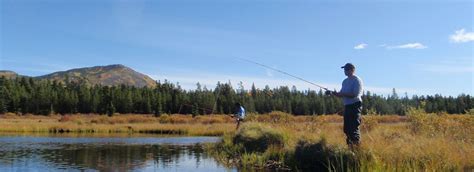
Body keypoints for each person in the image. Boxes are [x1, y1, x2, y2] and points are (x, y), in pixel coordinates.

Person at [326, 63, 363, 149]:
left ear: (352, 70)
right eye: (344, 69)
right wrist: (332, 93)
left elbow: (354, 94)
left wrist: (342, 94)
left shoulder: (357, 80)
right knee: (347, 129)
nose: (345, 71)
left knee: (353, 128)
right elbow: (341, 94)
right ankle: (350, 148)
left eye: (346, 69)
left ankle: (357, 149)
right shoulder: (345, 81)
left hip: (355, 106)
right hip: (347, 106)